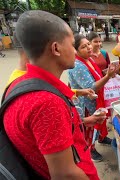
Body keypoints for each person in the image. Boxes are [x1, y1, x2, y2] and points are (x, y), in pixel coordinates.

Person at [3, 10, 100, 179]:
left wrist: (83, 123)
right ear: (56, 48)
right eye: (71, 44)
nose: (75, 51)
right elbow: (65, 174)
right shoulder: (47, 102)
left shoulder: (18, 84)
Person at [69, 34, 118, 162]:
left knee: (99, 122)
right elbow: (91, 87)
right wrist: (107, 76)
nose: (89, 48)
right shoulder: (77, 65)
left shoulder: (88, 59)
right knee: (89, 128)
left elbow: (95, 75)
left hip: (95, 100)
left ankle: (101, 138)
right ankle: (90, 150)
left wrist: (106, 73)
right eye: (84, 47)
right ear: (76, 50)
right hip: (86, 105)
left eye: (88, 44)